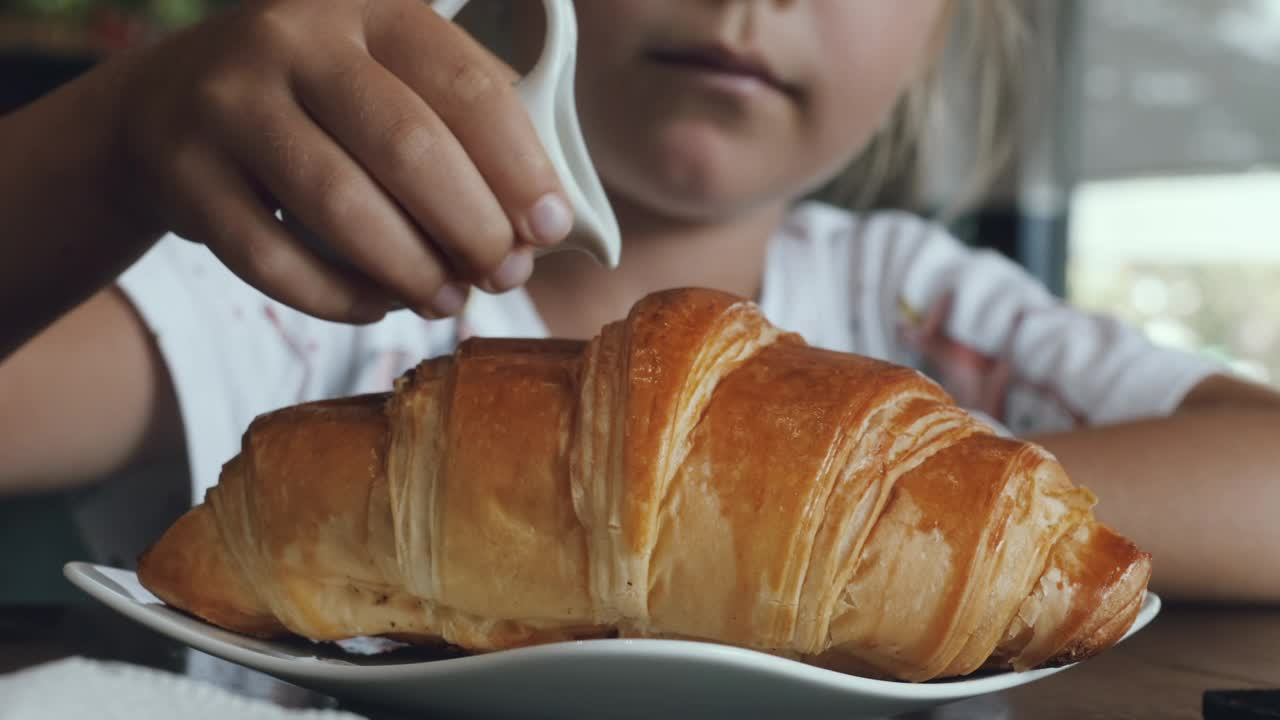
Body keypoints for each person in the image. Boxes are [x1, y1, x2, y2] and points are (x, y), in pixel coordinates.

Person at [1, 0, 1276, 601]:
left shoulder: (916, 305)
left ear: (947, 30)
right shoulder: (294, 281)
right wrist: (117, 141)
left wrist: (801, 510)